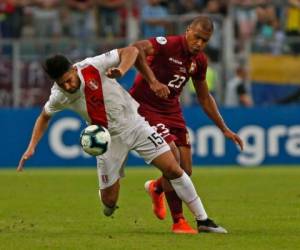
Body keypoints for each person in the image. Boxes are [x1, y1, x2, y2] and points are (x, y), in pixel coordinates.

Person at [17, 45, 227, 234]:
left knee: (173, 168)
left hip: (135, 125)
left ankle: (203, 220)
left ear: (73, 69)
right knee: (109, 204)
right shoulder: (58, 96)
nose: (69, 86)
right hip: (107, 140)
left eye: (69, 79)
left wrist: (122, 69)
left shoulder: (92, 66)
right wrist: (31, 146)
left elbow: (132, 51)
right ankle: (106, 196)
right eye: (62, 84)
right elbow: (44, 117)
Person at [130, 15, 244, 234]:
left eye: (205, 41)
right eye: (197, 37)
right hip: (146, 107)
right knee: (173, 162)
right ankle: (179, 222)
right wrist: (153, 81)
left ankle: (156, 187)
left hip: (172, 111)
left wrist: (224, 128)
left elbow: (204, 97)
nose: (199, 43)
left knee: (186, 170)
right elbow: (135, 49)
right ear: (188, 30)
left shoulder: (199, 61)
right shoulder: (168, 45)